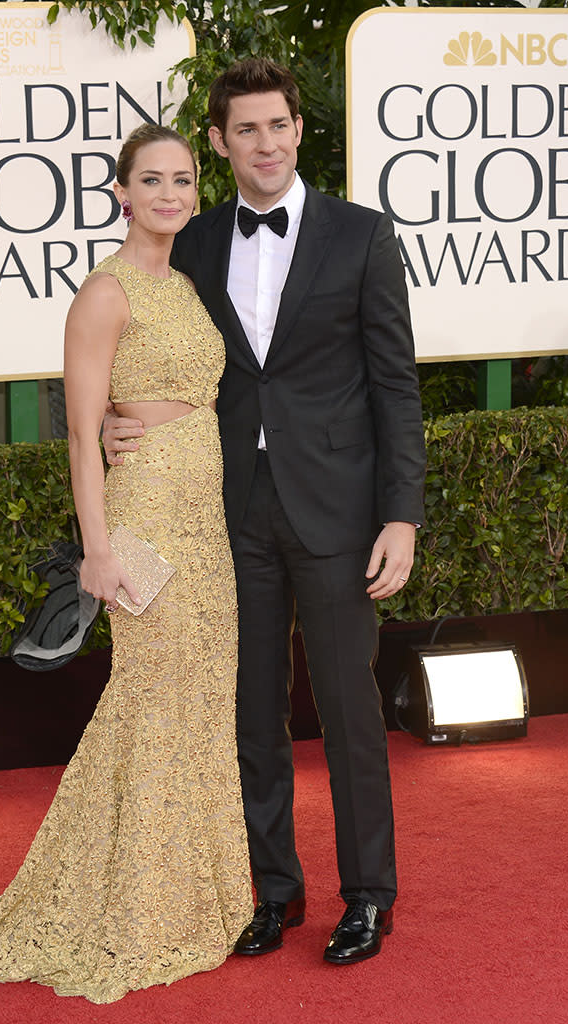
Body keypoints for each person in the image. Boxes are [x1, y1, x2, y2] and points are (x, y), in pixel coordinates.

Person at [0, 124, 253, 1003]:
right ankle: (129, 909)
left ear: (197, 190)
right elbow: (83, 434)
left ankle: (195, 898)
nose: (169, 194)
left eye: (182, 180)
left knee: (197, 703)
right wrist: (98, 550)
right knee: (150, 699)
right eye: (150, 180)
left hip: (206, 524)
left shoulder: (189, 288)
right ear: (122, 193)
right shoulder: (103, 295)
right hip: (146, 516)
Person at [103, 59, 426, 966]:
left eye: (279, 125)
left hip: (337, 514)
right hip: (227, 514)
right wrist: (107, 427)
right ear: (219, 142)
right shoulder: (194, 240)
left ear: (297, 128)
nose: (267, 143)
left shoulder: (362, 236)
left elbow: (396, 388)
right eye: (246, 130)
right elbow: (126, 333)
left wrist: (400, 515)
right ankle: (273, 891)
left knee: (348, 706)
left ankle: (368, 896)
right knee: (249, 713)